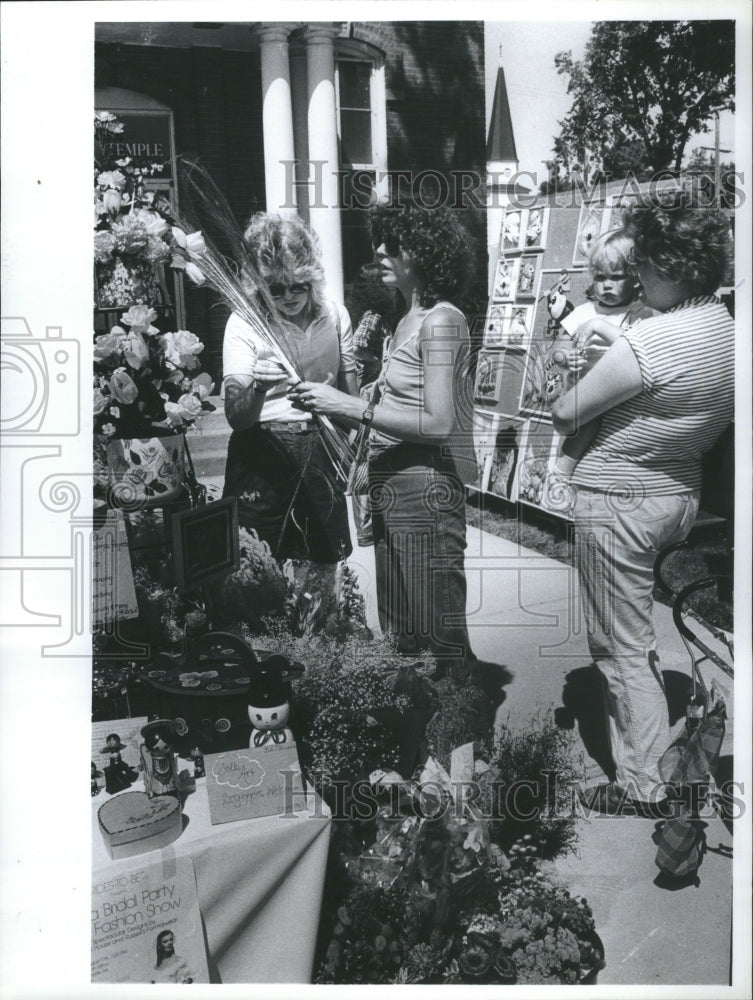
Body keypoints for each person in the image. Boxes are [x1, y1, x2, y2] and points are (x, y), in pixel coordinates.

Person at [551, 193, 734, 815]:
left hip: (619, 503)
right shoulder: (726, 328)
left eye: (646, 264)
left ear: (670, 266)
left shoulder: (651, 340)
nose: (637, 276)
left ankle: (645, 788)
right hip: (677, 494)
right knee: (640, 635)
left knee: (620, 648)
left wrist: (578, 363)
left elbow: (564, 411)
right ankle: (665, 746)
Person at [289, 202, 478, 682]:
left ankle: (467, 747)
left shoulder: (442, 320)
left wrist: (349, 406)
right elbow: (394, 407)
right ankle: (419, 748)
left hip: (426, 489)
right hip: (392, 483)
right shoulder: (404, 320)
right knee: (400, 635)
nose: (379, 251)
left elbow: (437, 422)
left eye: (394, 244)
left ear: (427, 253)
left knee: (440, 639)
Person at [222, 212, 357, 565]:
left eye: (299, 285)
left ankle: (326, 623)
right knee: (255, 563)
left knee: (325, 562)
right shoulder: (244, 322)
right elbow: (236, 417)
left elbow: (350, 398)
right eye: (275, 289)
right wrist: (258, 388)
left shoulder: (334, 314)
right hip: (263, 448)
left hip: (322, 445)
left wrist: (340, 450)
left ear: (313, 278)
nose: (288, 297)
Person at [544, 229, 655, 507]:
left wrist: (602, 329)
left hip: (622, 389)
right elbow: (557, 347)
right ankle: (562, 471)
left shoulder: (641, 312)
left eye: (616, 278)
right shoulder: (584, 311)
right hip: (585, 388)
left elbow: (639, 348)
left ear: (635, 278)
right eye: (600, 278)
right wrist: (564, 358)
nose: (606, 285)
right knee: (589, 423)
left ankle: (575, 475)